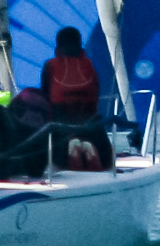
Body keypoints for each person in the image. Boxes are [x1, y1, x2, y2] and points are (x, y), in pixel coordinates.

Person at [40, 26, 112, 170]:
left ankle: (71, 148)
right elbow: (95, 95)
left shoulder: (50, 65)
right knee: (106, 160)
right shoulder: (88, 65)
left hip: (60, 119)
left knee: (55, 148)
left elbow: (45, 97)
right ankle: (88, 147)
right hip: (89, 121)